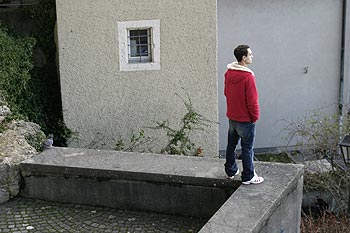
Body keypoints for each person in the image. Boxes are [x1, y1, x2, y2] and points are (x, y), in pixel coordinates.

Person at [224, 44, 264, 185]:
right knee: (247, 148)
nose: (252, 56)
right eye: (250, 54)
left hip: (232, 116)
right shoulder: (248, 77)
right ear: (243, 57)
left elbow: (226, 93)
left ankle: (230, 171)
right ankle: (248, 176)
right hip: (245, 119)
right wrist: (255, 117)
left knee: (231, 145)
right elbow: (252, 101)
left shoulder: (228, 73)